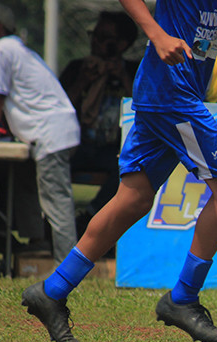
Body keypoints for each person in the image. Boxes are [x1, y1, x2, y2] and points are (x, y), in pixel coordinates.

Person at [20, 0, 217, 342]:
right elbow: (165, 29)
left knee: (133, 198)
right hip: (171, 95)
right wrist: (157, 34)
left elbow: (197, 37)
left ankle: (52, 291)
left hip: (167, 92)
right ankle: (182, 298)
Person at [0, 3, 80, 263]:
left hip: (52, 134)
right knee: (27, 182)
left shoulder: (3, 48)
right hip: (51, 133)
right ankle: (37, 245)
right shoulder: (16, 49)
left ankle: (69, 266)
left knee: (56, 203)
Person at [59, 10, 140, 224]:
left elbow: (145, 105)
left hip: (113, 149)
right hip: (78, 144)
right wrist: (82, 82)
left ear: (122, 44)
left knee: (131, 169)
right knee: (50, 162)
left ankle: (91, 217)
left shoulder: (134, 71)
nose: (95, 42)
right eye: (93, 36)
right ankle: (57, 223)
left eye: (104, 38)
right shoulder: (77, 68)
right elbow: (57, 107)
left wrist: (122, 78)